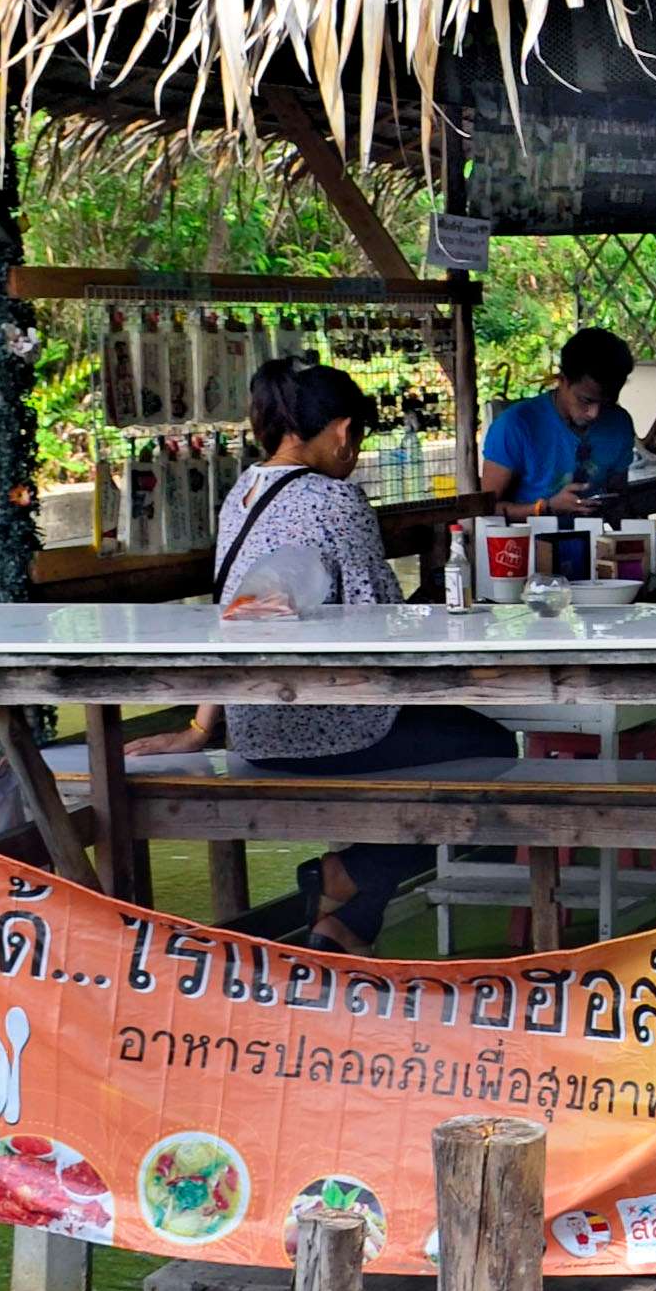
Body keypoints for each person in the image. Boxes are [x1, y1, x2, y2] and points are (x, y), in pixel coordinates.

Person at [185, 357, 517, 954]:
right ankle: (345, 873)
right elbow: (380, 620)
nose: (356, 453)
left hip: (253, 727)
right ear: (341, 431)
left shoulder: (242, 492)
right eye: (358, 438)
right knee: (492, 747)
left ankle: (346, 926)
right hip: (329, 729)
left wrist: (199, 727)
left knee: (435, 744)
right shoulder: (335, 500)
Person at [478, 328, 636, 505]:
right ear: (562, 381)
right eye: (585, 400)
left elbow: (618, 499)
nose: (594, 414)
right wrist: (546, 508)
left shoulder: (619, 424)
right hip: (527, 524)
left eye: (607, 402)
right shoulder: (514, 426)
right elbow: (486, 508)